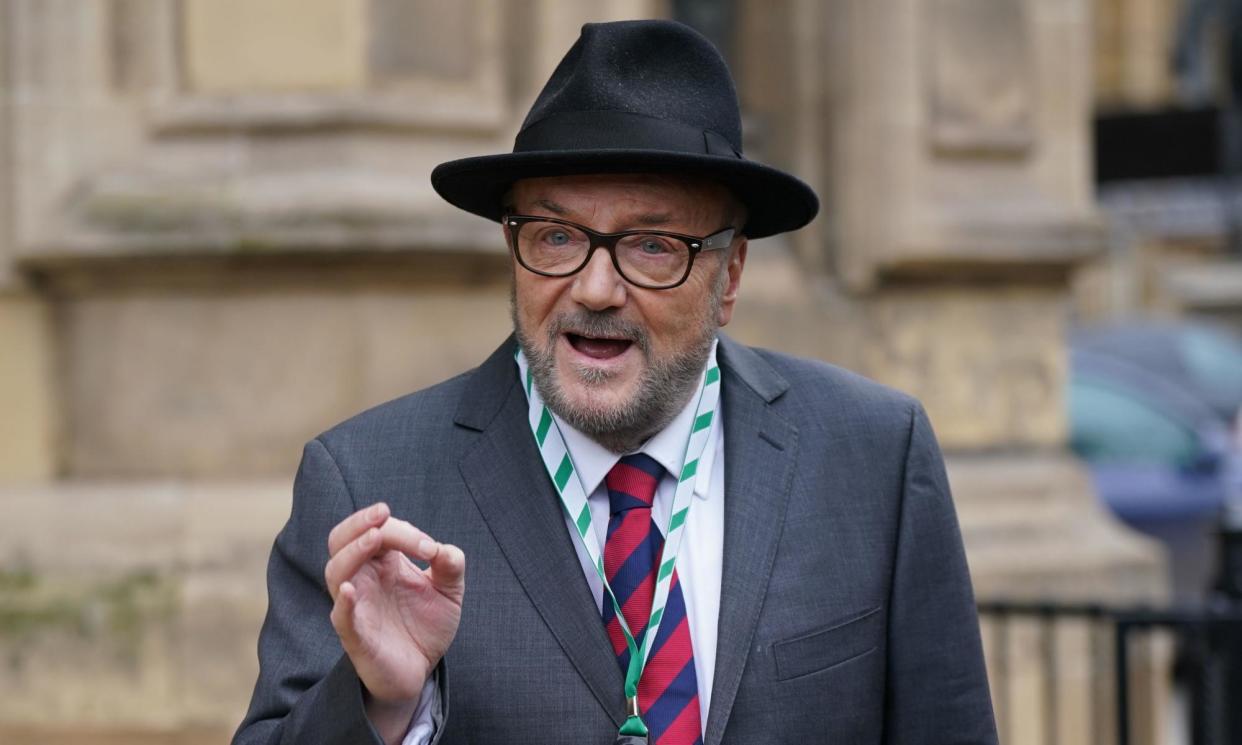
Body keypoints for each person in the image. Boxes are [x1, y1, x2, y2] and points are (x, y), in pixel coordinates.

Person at [233, 19, 997, 745]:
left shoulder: (872, 457)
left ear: (729, 275)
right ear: (511, 245)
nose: (595, 288)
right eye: (557, 236)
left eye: (652, 244)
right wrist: (382, 703)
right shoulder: (370, 485)